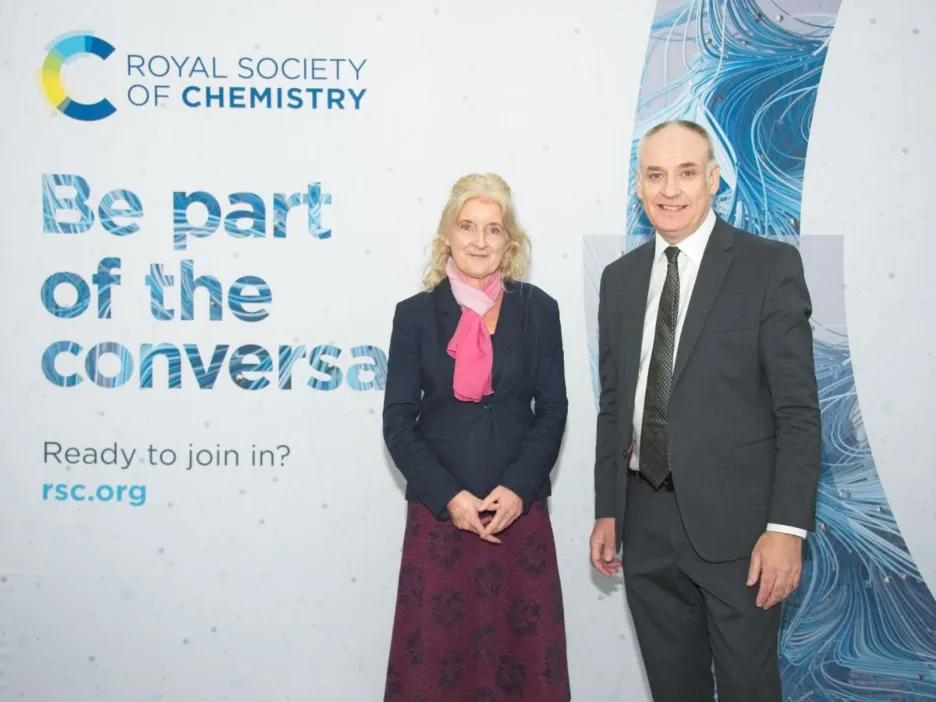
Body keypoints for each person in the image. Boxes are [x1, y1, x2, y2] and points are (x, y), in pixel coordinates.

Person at [589, 120, 821, 702]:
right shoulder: (619, 280)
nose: (670, 190)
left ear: (714, 179)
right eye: (655, 175)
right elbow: (615, 406)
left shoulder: (768, 266)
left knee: (748, 689)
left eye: (686, 173)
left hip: (742, 533)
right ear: (638, 186)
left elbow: (797, 412)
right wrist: (608, 509)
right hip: (644, 522)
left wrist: (785, 529)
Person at [382, 173, 571, 701]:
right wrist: (449, 498)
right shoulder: (414, 316)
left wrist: (518, 488)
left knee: (524, 662)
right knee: (436, 666)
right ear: (447, 234)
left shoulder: (539, 309)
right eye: (467, 226)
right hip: (440, 516)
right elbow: (397, 422)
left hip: (518, 513)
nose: (479, 241)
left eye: (493, 229)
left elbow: (552, 410)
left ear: (510, 241)